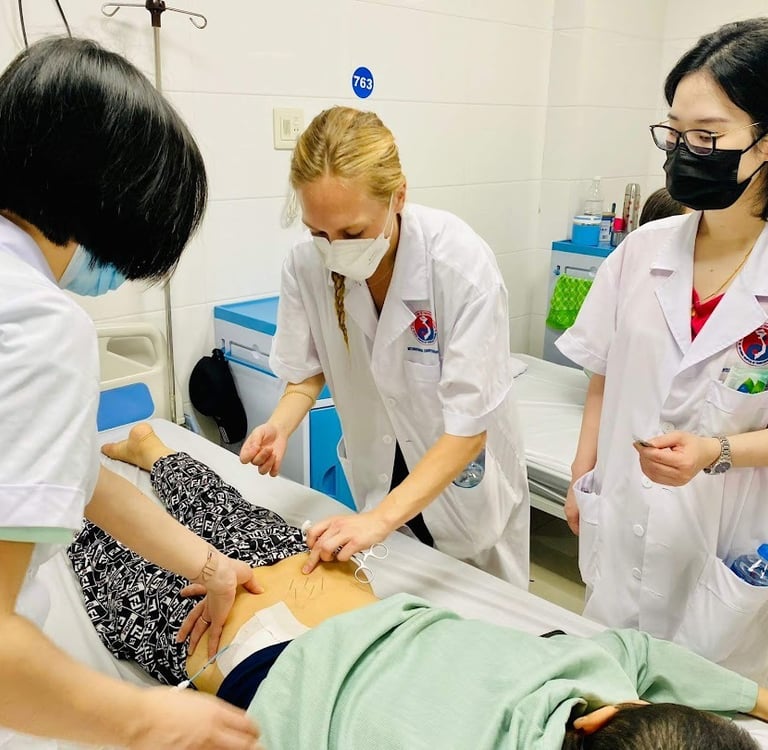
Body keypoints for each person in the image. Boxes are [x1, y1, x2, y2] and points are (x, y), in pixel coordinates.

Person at [69, 424, 768, 750]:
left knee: (219, 520)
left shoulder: (583, 672)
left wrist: (755, 696)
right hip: (259, 655)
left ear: (601, 717)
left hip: (310, 606)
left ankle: (155, 453)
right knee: (109, 544)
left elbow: (643, 657)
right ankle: (151, 454)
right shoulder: (594, 677)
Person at [0, 38, 260, 749]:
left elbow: (83, 480)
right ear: (111, 196)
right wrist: (143, 719)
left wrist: (214, 566)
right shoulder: (35, 324)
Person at [556, 17, 768, 683]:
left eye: (707, 137)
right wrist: (582, 476)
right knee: (614, 690)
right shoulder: (643, 252)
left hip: (727, 542)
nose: (682, 151)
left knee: (706, 702)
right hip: (621, 519)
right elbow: (603, 373)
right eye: (675, 133)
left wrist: (719, 452)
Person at [239, 106, 530, 586]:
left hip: (457, 484)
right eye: (319, 234)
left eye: (352, 233)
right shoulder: (305, 266)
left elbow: (468, 427)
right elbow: (306, 371)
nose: (334, 249)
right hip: (380, 479)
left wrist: (379, 520)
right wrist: (281, 423)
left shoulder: (458, 265)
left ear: (398, 197)